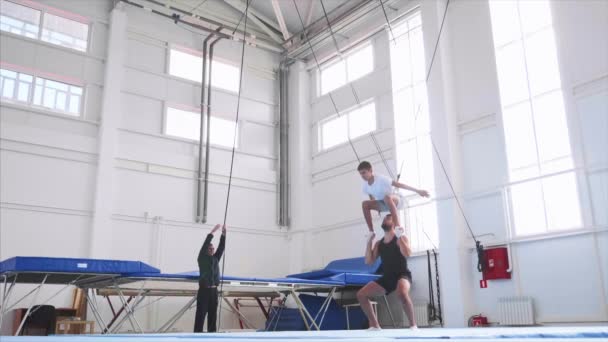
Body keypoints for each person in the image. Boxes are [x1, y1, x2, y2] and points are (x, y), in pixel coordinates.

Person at [357, 214, 417, 330]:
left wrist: (400, 237)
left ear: (394, 223)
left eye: (388, 218)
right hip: (387, 278)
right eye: (384, 219)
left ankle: (413, 325)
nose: (385, 220)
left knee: (402, 292)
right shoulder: (379, 244)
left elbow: (408, 254)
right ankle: (375, 325)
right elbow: (368, 261)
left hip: (402, 275)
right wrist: (369, 242)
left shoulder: (400, 238)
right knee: (361, 294)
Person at [358, 161, 429, 233]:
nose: (362, 176)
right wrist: (377, 209)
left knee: (386, 198)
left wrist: (418, 191)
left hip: (397, 200)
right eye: (360, 174)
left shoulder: (381, 179)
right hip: (384, 203)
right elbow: (371, 196)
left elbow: (399, 185)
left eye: (364, 172)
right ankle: (371, 231)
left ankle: (397, 226)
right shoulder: (365, 186)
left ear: (370, 170)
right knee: (364, 204)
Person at [193, 224, 226, 333]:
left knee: (213, 315)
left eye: (213, 249)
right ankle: (197, 335)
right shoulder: (202, 258)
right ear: (206, 250)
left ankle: (212, 335)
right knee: (201, 315)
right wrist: (213, 232)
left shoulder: (216, 258)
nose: (212, 250)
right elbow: (205, 244)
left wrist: (224, 234)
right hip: (204, 291)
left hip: (214, 291)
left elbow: (221, 247)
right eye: (210, 248)